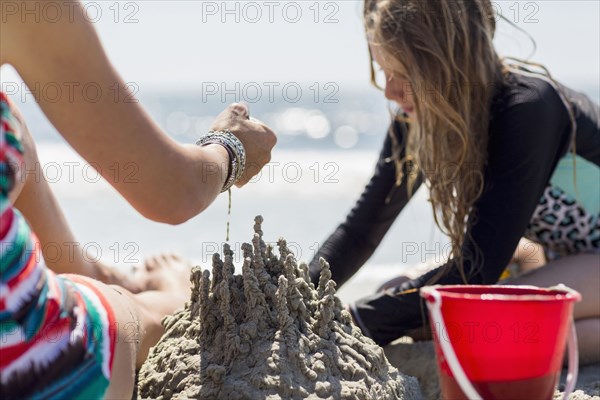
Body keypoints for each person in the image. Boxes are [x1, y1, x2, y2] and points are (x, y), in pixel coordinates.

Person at [0, 1, 276, 398]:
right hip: (27, 368)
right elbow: (173, 192)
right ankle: (155, 297)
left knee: (11, 127)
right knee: (147, 310)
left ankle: (91, 274)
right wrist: (231, 147)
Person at [309, 0, 599, 363]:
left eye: (404, 74)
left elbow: (476, 269)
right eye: (384, 71)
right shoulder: (420, 120)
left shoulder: (528, 107)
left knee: (486, 330)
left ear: (449, 64)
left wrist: (352, 322)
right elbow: (362, 229)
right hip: (553, 256)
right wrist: (302, 299)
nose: (390, 92)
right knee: (396, 296)